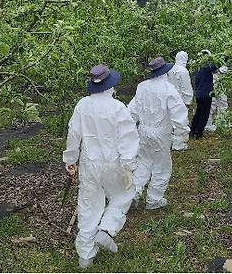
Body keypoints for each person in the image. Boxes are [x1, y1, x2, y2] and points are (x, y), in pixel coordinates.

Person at [63, 64, 140, 269]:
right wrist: (129, 166)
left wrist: (70, 160)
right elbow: (128, 138)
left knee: (89, 205)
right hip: (112, 163)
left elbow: (73, 134)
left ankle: (85, 256)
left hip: (89, 163)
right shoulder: (117, 108)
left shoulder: (82, 105)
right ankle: (106, 230)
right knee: (124, 193)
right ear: (110, 85)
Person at [128, 56, 189, 209]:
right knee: (161, 166)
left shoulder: (142, 86)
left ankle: (134, 192)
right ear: (165, 72)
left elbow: (132, 109)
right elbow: (178, 113)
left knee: (143, 162)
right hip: (161, 134)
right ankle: (154, 199)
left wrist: (128, 127)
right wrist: (182, 131)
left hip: (143, 131)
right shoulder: (169, 89)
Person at [166, 51, 193, 150]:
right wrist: (188, 100)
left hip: (169, 98)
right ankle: (179, 144)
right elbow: (186, 87)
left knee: (170, 121)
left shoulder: (170, 69)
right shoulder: (183, 71)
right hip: (180, 99)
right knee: (180, 121)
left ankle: (170, 142)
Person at [191, 50, 218, 139]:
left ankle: (193, 130)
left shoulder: (197, 67)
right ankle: (198, 133)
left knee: (198, 112)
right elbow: (217, 65)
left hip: (198, 94)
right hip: (206, 94)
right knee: (204, 114)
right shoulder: (207, 67)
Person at [205, 65, 229, 132]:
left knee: (222, 102)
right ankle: (207, 125)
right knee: (211, 103)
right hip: (212, 79)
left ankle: (222, 122)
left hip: (220, 81)